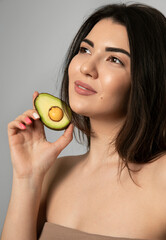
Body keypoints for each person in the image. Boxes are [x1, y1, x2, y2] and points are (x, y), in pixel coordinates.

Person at [1, 2, 166, 240]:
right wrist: (26, 178)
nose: (86, 67)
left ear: (147, 80)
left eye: (114, 59)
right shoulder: (53, 172)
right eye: (85, 50)